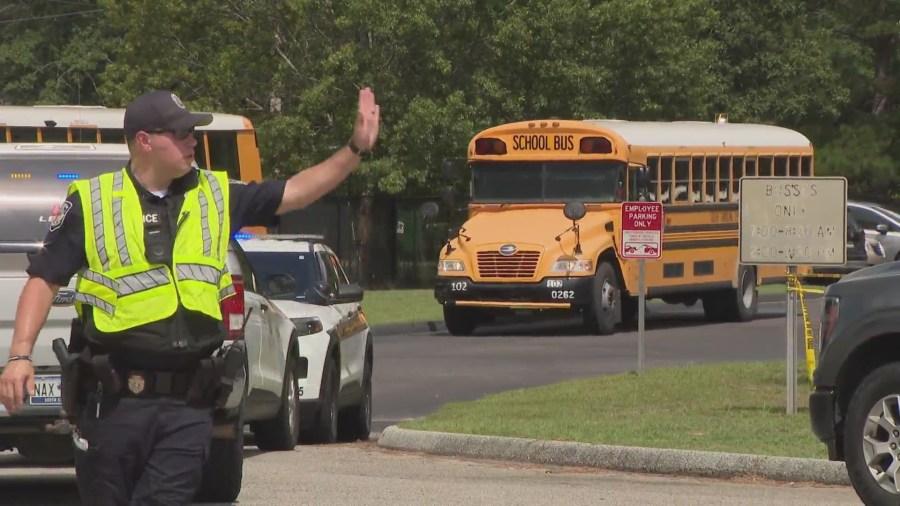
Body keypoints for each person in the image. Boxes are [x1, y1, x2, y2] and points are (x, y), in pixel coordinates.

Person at [0, 87, 379, 504]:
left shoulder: (215, 194)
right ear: (145, 141)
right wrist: (20, 356)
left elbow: (295, 192)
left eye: (192, 132)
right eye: (180, 133)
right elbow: (43, 280)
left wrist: (354, 150)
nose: (192, 141)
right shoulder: (94, 203)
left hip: (187, 405)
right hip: (112, 405)